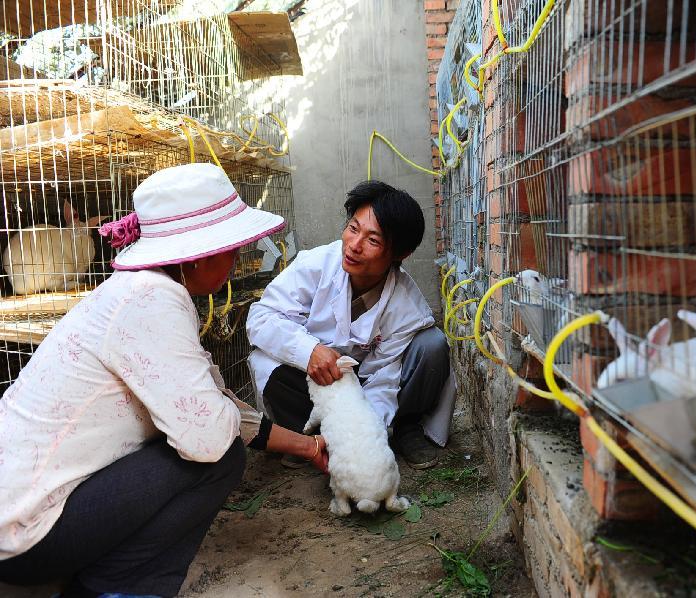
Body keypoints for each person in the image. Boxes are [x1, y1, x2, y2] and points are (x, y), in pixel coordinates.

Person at [0, 163, 328, 598]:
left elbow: (216, 401)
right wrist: (223, 412)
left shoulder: (143, 289)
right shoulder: (154, 300)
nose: (235, 260)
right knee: (220, 457)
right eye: (231, 249)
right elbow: (210, 435)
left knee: (208, 430)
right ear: (199, 255)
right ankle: (112, 587)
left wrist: (308, 446)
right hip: (25, 534)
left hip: (16, 513)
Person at [247, 180, 454, 470]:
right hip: (318, 382)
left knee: (431, 345)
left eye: (373, 240)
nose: (354, 246)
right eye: (353, 228)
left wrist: (361, 439)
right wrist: (309, 351)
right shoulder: (316, 264)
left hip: (366, 385)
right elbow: (262, 318)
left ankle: (405, 427)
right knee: (263, 358)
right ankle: (306, 436)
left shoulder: (407, 306)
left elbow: (384, 380)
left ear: (399, 254)